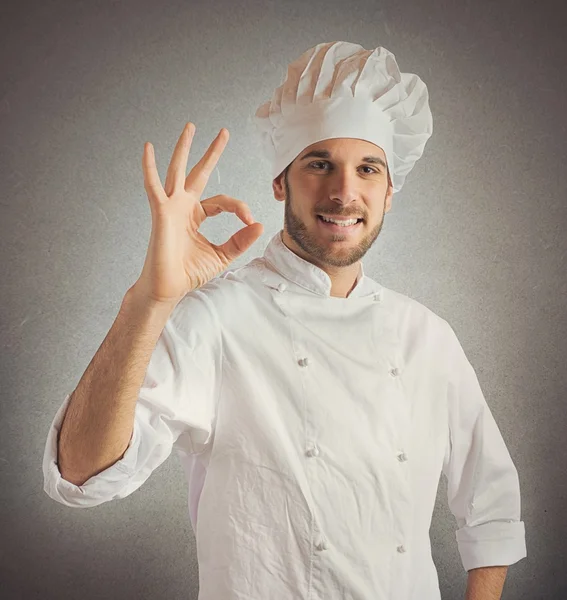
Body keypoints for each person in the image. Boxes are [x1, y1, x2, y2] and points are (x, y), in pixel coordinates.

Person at [42, 41, 526, 599]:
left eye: (367, 168)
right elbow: (80, 474)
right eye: (319, 164)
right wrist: (148, 301)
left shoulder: (427, 337)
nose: (344, 192)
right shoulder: (217, 318)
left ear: (389, 191)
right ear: (280, 182)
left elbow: (490, 504)